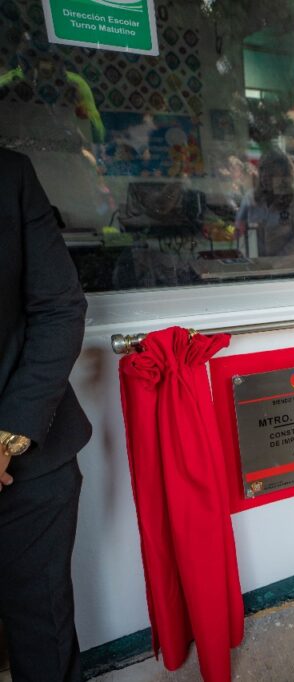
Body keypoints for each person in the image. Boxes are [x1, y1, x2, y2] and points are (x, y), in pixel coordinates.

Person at [0, 148, 92, 680]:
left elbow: (60, 306)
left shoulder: (9, 175)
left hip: (27, 459)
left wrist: (8, 437)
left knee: (45, 638)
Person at [235, 150, 294, 257]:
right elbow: (239, 231)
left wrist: (277, 261)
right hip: (256, 265)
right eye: (263, 171)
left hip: (288, 266)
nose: (265, 177)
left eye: (271, 174)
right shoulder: (250, 198)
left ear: (284, 177)